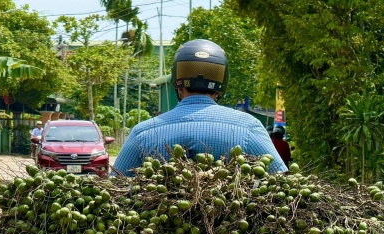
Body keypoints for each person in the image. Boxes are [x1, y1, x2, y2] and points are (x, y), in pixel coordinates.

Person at [114, 39, 288, 176]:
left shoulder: (143, 132)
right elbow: (281, 182)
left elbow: (117, 188)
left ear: (177, 85)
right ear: (221, 86)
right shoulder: (249, 127)